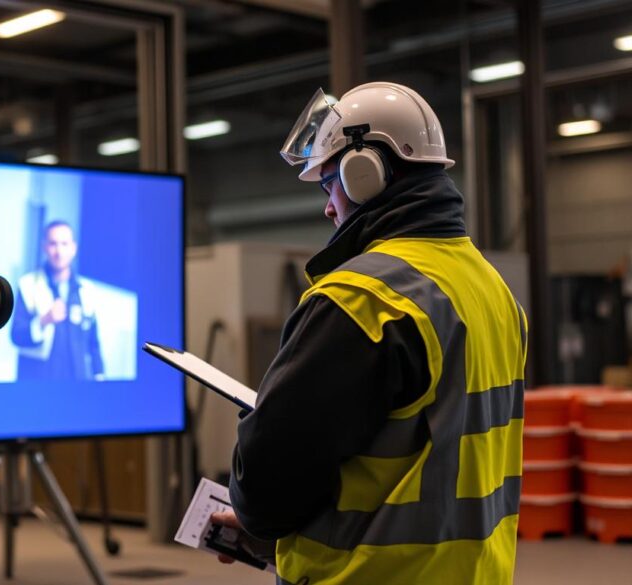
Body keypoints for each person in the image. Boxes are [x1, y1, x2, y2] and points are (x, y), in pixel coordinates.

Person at [212, 82, 527, 584]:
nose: (328, 208)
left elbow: (267, 490)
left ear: (365, 174)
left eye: (327, 185)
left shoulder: (361, 299)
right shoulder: (492, 289)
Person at [11, 220, 105, 381]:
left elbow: (93, 343)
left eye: (64, 244)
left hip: (77, 384)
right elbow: (16, 336)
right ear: (45, 247)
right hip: (38, 383)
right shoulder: (28, 285)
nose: (59, 251)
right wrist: (43, 321)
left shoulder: (87, 290)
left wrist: (100, 376)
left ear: (74, 248)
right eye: (53, 244)